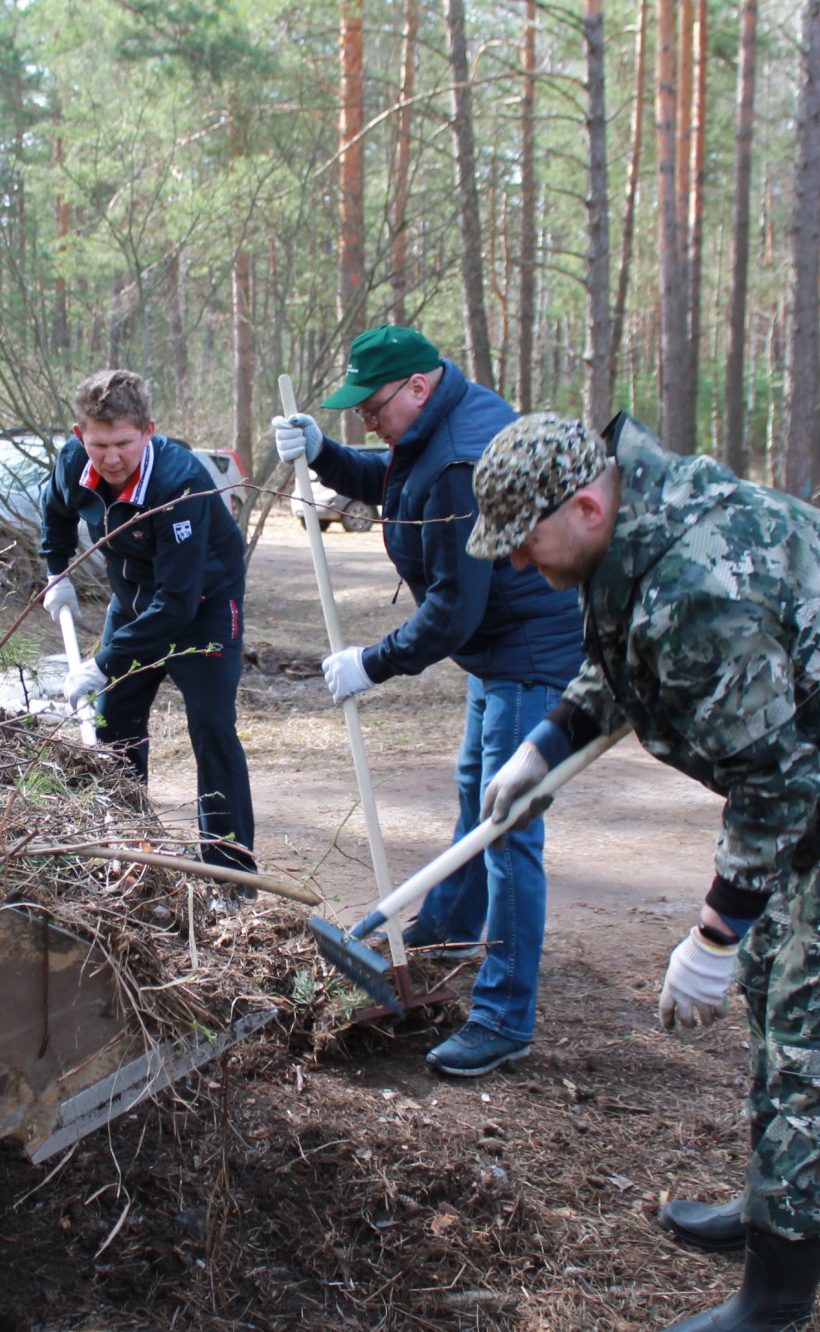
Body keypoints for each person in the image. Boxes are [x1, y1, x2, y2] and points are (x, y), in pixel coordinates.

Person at [466, 411, 820, 1332]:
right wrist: (544, 747)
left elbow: (774, 785)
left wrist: (710, 937)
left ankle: (776, 1301)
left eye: (521, 543)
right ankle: (770, 1201)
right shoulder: (631, 527)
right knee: (779, 984)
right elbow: (623, 656)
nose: (512, 566)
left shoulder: (697, 583)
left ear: (585, 505)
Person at [271, 326, 585, 1077]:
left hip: (527, 653)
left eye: (371, 410)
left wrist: (370, 665)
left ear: (418, 384)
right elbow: (392, 479)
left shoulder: (457, 459)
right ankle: (445, 933)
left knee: (507, 831)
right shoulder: (440, 420)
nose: (366, 424)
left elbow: (453, 612)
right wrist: (323, 453)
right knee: (478, 797)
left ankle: (504, 1018)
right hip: (502, 649)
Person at [40, 369, 257, 875]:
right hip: (135, 599)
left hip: (202, 605)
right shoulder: (75, 460)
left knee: (212, 728)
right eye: (99, 444)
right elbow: (55, 512)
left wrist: (103, 662)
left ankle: (229, 872)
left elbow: (177, 603)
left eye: (123, 443)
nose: (111, 458)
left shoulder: (178, 483)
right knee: (115, 719)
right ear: (80, 436)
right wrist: (56, 572)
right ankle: (130, 848)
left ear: (148, 431)